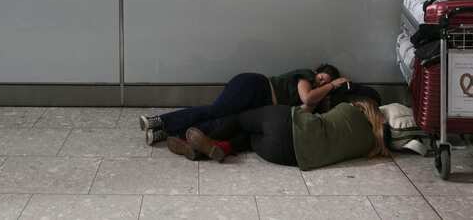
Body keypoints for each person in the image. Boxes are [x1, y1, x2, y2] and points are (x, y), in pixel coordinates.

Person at [139, 64, 348, 145]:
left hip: (259, 103)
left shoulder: (315, 93)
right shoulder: (306, 76)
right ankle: (158, 120)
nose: (321, 81)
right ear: (317, 72)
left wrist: (321, 99)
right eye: (322, 77)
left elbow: (303, 109)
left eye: (325, 82)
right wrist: (332, 86)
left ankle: (166, 133)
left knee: (223, 121)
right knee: (216, 111)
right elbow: (307, 98)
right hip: (254, 86)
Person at [166, 99, 389, 170]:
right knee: (248, 139)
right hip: (284, 156)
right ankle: (220, 148)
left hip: (286, 123)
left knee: (241, 119)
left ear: (364, 109)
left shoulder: (349, 109)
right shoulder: (369, 146)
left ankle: (192, 141)